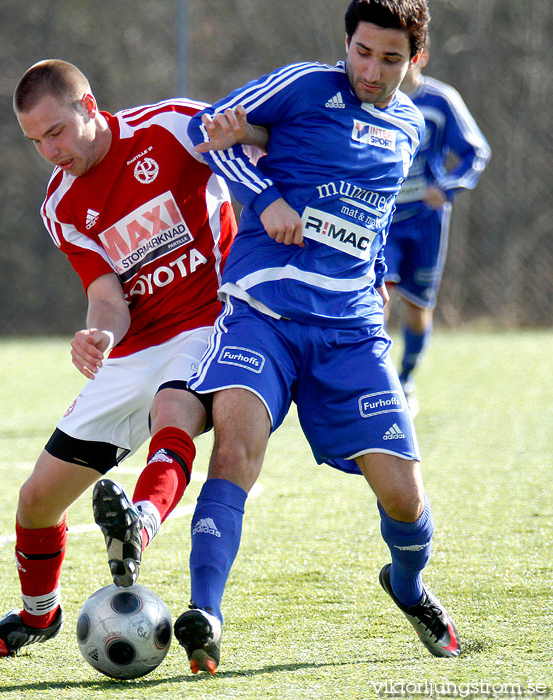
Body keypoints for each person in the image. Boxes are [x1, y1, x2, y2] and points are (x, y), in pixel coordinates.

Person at [171, 0, 461, 675]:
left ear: (414, 60)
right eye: (362, 52)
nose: (371, 69)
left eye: (390, 59)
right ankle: (205, 614)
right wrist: (265, 196)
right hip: (263, 313)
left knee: (405, 500)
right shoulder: (304, 84)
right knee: (236, 451)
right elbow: (200, 130)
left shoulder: (410, 124)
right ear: (347, 44)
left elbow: (375, 206)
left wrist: (378, 269)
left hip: (351, 332)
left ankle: (409, 586)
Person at [0, 59, 237, 659]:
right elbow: (107, 295)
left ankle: (138, 522)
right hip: (135, 347)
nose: (49, 151)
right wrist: (99, 335)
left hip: (211, 323)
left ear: (90, 105)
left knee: (174, 411)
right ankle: (40, 615)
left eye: (56, 131)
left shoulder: (172, 127)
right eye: (35, 141)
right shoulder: (60, 205)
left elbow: (253, 154)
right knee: (36, 500)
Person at [384, 43, 491, 417]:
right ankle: (375, 385)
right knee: (376, 299)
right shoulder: (373, 96)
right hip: (381, 222)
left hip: (425, 222)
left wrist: (446, 187)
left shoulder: (440, 100)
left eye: (397, 57)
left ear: (419, 58)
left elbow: (475, 152)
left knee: (416, 308)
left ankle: (407, 380)